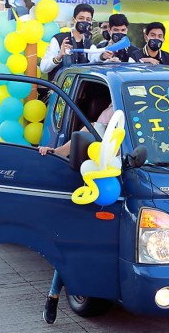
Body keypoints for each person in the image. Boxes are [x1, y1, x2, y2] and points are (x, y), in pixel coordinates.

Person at [38, 102, 114, 324]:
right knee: (73, 245)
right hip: (87, 192)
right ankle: (53, 297)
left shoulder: (138, 129)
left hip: (116, 194)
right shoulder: (92, 128)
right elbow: (65, 150)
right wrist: (50, 152)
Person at [40, 4, 106, 81]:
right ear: (74, 19)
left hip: (79, 91)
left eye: (88, 19)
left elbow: (96, 58)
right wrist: (59, 56)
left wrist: (104, 56)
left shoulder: (89, 45)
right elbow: (43, 68)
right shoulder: (59, 39)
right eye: (81, 18)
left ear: (91, 22)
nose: (84, 22)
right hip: (58, 89)